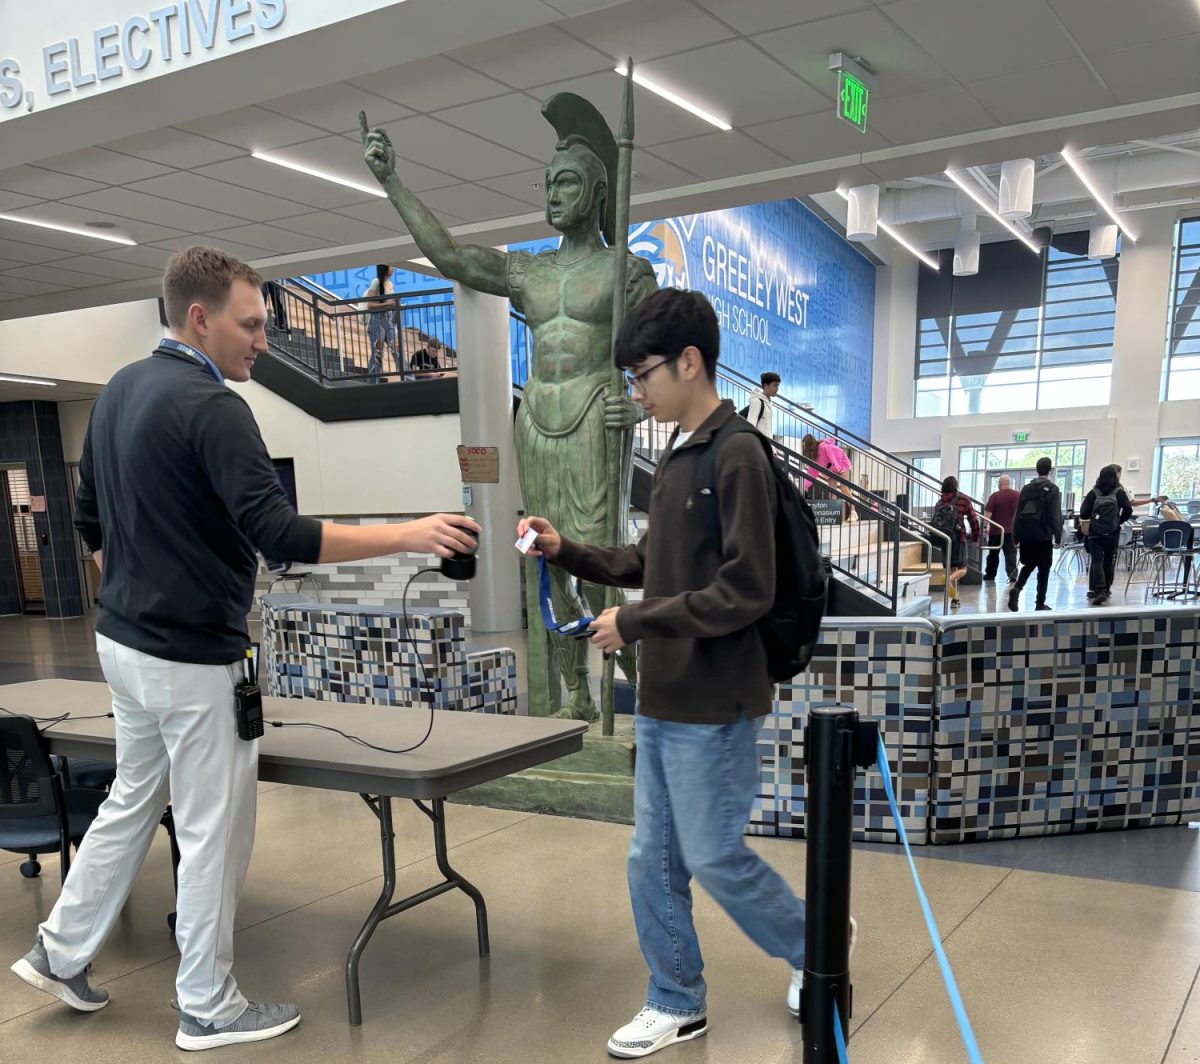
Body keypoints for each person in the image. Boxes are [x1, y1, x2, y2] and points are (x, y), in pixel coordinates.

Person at [9, 246, 479, 1052]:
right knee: (214, 830)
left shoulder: (120, 391)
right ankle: (207, 1005)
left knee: (133, 800)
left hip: (124, 646)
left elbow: (87, 525)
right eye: (251, 324)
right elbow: (280, 534)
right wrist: (411, 533)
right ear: (201, 318)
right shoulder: (214, 406)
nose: (261, 340)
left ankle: (59, 949)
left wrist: (137, 586)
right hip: (191, 661)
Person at [517, 289, 848, 1060]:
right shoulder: (679, 452)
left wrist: (633, 621)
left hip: (716, 699)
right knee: (652, 859)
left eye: (642, 376)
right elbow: (649, 563)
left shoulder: (735, 454)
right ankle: (676, 998)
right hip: (664, 694)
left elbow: (746, 590)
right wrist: (568, 550)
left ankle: (817, 942)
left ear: (689, 362)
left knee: (711, 855)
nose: (637, 393)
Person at [1008, 457, 1063, 613]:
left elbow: (1017, 513)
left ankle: (1017, 588)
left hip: (1026, 534)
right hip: (1043, 535)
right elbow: (1055, 515)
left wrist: (1015, 537)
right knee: (1044, 569)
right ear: (1050, 470)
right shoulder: (1052, 489)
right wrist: (1058, 537)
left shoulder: (1026, 489)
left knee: (1029, 564)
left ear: (1036, 470)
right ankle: (1040, 603)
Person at [1078, 464, 1132, 605]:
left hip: (1095, 533)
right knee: (1108, 560)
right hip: (1112, 532)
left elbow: (1083, 513)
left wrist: (1095, 516)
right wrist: (1119, 520)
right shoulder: (1119, 493)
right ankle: (1106, 589)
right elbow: (1128, 510)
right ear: (1115, 477)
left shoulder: (1093, 493)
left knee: (1096, 561)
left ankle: (1099, 590)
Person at [931, 475, 979, 608]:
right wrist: (976, 537)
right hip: (959, 538)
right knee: (962, 570)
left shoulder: (939, 503)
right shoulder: (963, 499)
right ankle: (948, 580)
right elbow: (973, 519)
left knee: (952, 570)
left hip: (944, 540)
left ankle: (955, 600)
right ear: (956, 486)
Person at [362, 264, 401, 381]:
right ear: (384, 268)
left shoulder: (390, 284)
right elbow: (370, 305)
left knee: (397, 350)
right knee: (378, 354)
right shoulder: (376, 282)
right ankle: (373, 382)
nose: (393, 268)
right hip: (377, 320)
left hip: (389, 320)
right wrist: (388, 304)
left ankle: (408, 378)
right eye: (390, 266)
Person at [983, 475, 1020, 583]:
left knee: (993, 554)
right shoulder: (1017, 495)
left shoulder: (995, 496)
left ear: (999, 483)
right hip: (1012, 531)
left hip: (996, 531)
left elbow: (988, 513)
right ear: (1009, 483)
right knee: (1011, 554)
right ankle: (1012, 575)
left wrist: (985, 527)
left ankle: (990, 574)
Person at [744, 371, 780, 436]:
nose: (777, 388)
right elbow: (750, 425)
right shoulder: (757, 402)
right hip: (759, 443)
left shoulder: (768, 403)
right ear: (766, 386)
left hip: (766, 443)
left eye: (778, 385)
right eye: (775, 385)